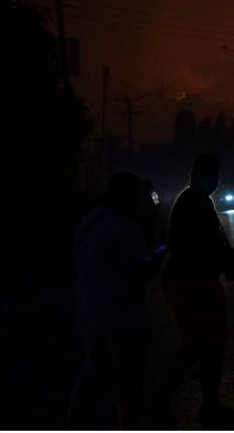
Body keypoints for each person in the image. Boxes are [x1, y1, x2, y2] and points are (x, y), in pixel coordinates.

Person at [154, 155, 234, 425]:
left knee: (206, 344)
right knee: (200, 344)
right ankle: (167, 400)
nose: (216, 182)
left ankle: (204, 402)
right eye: (213, 176)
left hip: (193, 278)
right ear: (199, 175)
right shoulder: (195, 202)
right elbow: (195, 245)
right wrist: (225, 257)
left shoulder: (197, 200)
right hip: (192, 280)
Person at [68, 173, 161, 429]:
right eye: (136, 196)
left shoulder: (90, 221)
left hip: (90, 308)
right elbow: (138, 271)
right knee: (130, 376)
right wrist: (158, 257)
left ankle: (76, 422)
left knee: (97, 372)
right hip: (121, 311)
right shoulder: (124, 227)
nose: (140, 202)